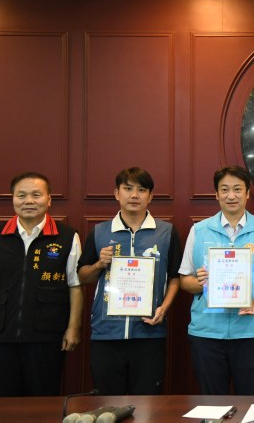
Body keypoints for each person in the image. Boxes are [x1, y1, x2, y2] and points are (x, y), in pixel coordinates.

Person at [179, 165, 254, 395]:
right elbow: (184, 280)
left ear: (247, 194)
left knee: (251, 401)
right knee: (212, 404)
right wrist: (200, 283)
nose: (231, 195)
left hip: (251, 332)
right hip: (207, 333)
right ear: (216, 194)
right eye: (225, 189)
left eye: (237, 189)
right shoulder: (199, 230)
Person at [0, 172, 82, 396]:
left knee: (43, 401)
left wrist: (73, 329)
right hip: (0, 334)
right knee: (3, 403)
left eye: (36, 195)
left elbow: (75, 286)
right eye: (21, 195)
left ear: (49, 200)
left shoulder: (67, 237)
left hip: (46, 334)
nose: (29, 201)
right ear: (13, 199)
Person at [77, 167, 181, 395]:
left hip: (149, 332)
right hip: (106, 333)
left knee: (147, 405)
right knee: (107, 403)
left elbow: (175, 277)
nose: (134, 195)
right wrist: (99, 264)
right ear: (117, 193)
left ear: (150, 196)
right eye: (128, 189)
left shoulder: (166, 232)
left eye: (142, 190)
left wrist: (164, 307)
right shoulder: (99, 232)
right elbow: (83, 275)